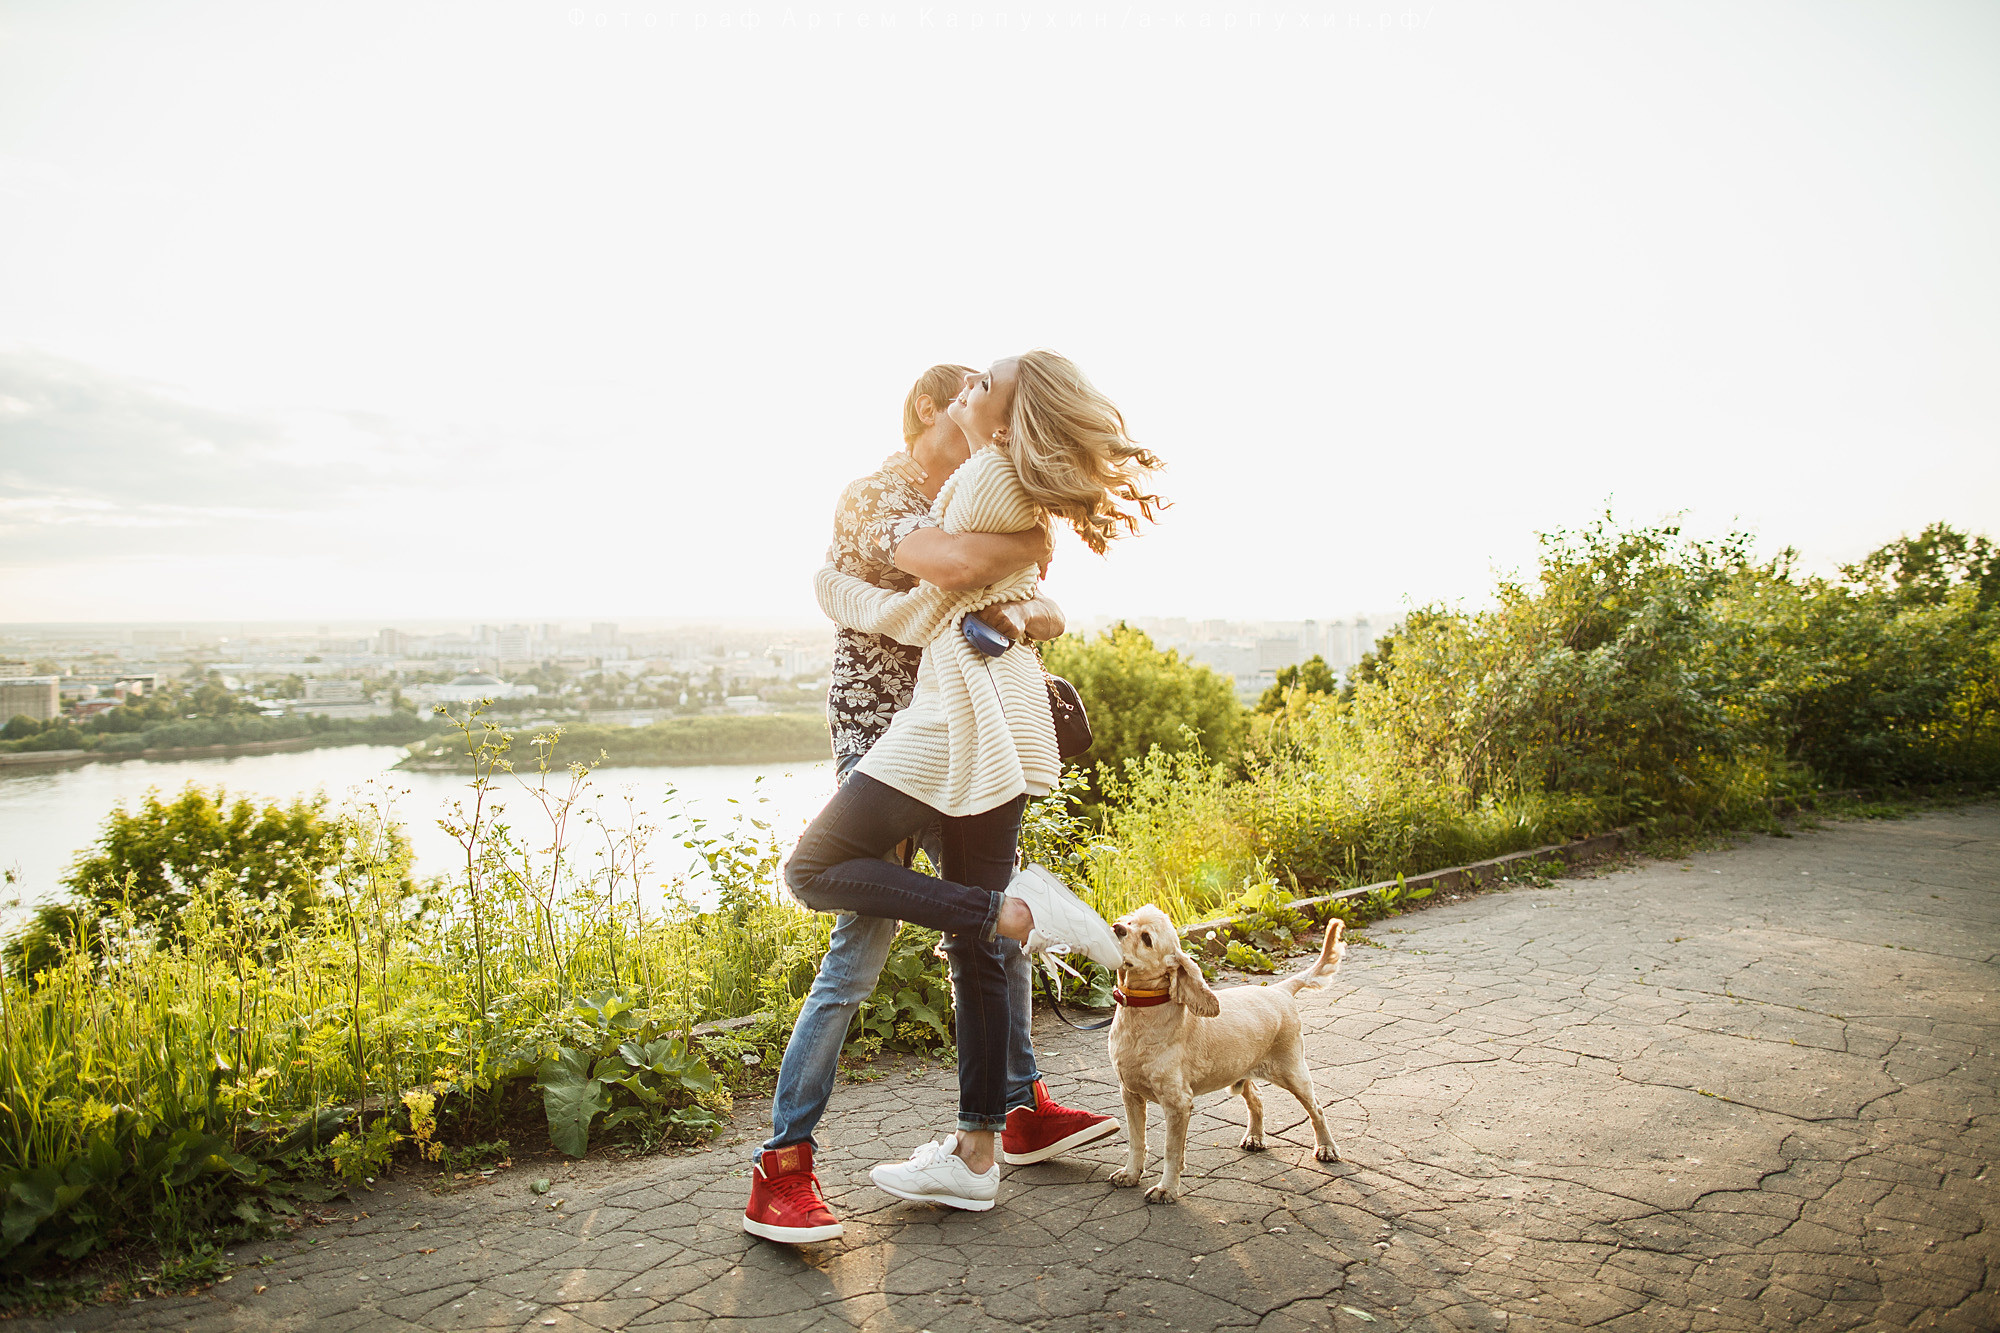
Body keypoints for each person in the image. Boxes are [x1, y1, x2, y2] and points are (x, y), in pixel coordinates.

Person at [776, 350, 1164, 1219]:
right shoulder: (881, 496)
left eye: (983, 386)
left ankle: (1000, 1123)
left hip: (968, 722)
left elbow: (1031, 598)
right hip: (892, 732)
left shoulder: (992, 491)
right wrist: (1020, 559)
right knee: (860, 945)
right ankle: (789, 1157)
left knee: (982, 933)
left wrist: (1020, 594)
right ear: (930, 408)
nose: (970, 396)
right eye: (964, 386)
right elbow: (959, 570)